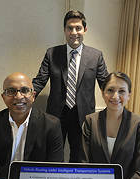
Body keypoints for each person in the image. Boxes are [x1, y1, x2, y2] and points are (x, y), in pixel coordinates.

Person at [32, 10, 108, 162]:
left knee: (79, 157)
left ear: (85, 29)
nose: (74, 32)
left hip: (83, 116)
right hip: (56, 115)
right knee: (53, 156)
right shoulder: (52, 53)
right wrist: (24, 95)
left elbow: (106, 84)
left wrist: (117, 101)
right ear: (64, 30)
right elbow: (39, 81)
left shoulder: (96, 56)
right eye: (70, 28)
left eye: (78, 28)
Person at [0, 72, 64, 179]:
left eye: (25, 90)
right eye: (11, 91)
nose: (18, 96)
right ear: (3, 97)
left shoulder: (51, 125)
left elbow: (55, 171)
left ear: (33, 96)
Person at [80, 72, 140, 179]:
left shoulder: (139, 124)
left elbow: (139, 171)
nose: (115, 96)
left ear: (129, 95)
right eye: (110, 90)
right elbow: (84, 162)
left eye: (121, 91)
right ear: (102, 93)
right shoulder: (90, 121)